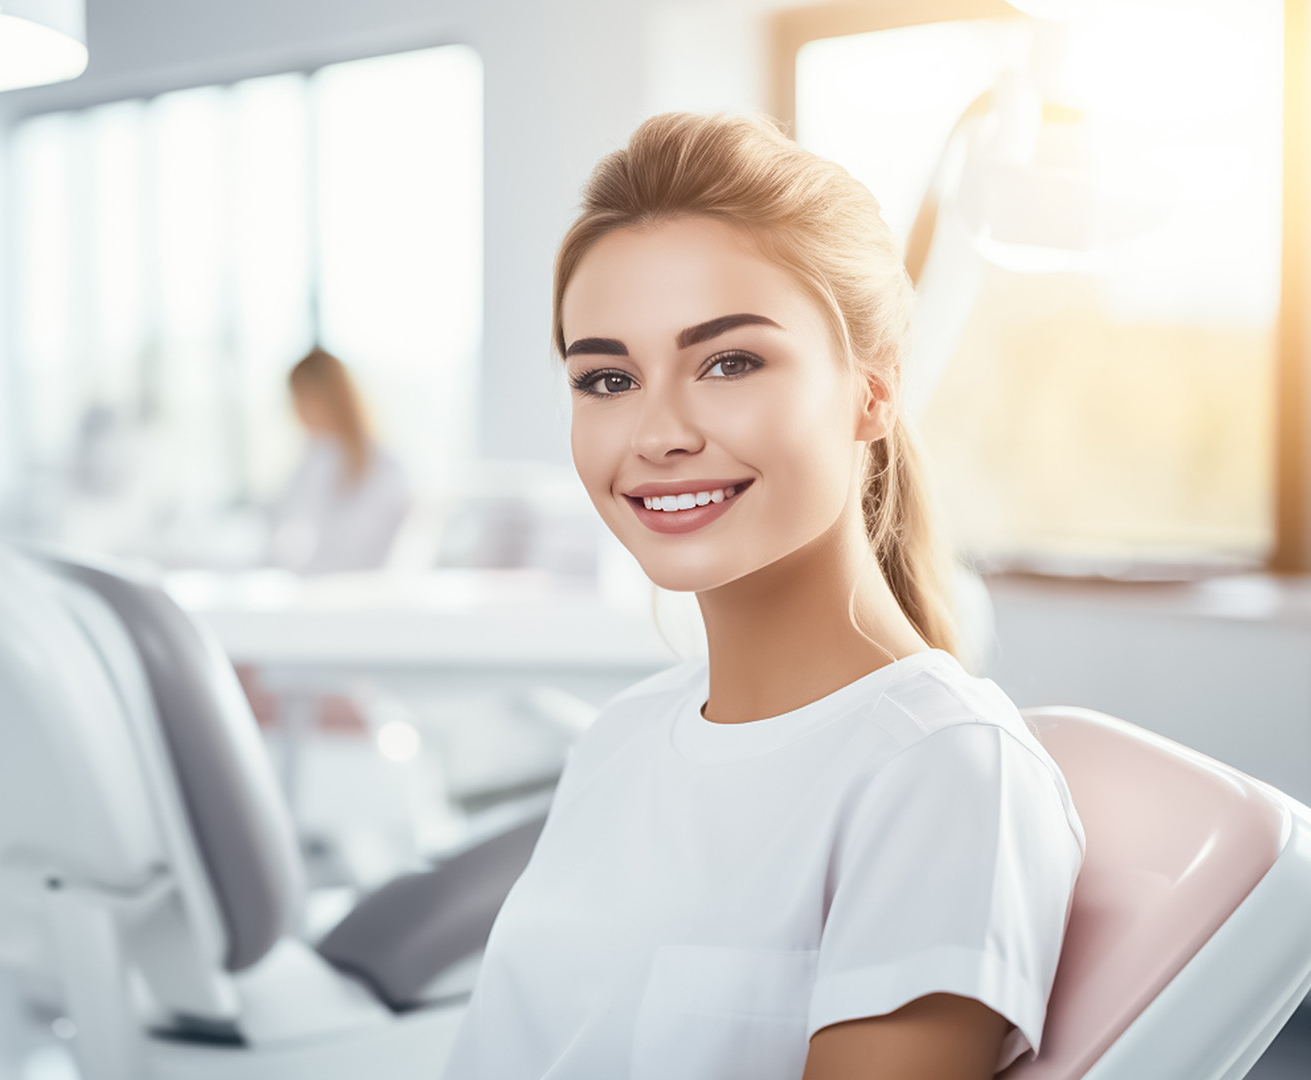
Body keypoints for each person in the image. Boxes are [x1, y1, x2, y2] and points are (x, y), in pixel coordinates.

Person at [441, 114, 1083, 1080]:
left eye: (728, 362)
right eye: (608, 377)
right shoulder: (621, 738)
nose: (656, 433)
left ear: (873, 391)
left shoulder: (942, 774)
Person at [270, 347, 408, 573]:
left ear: (329, 397)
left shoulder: (385, 469)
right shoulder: (313, 461)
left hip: (358, 595)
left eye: (301, 397)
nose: (296, 410)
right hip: (315, 593)